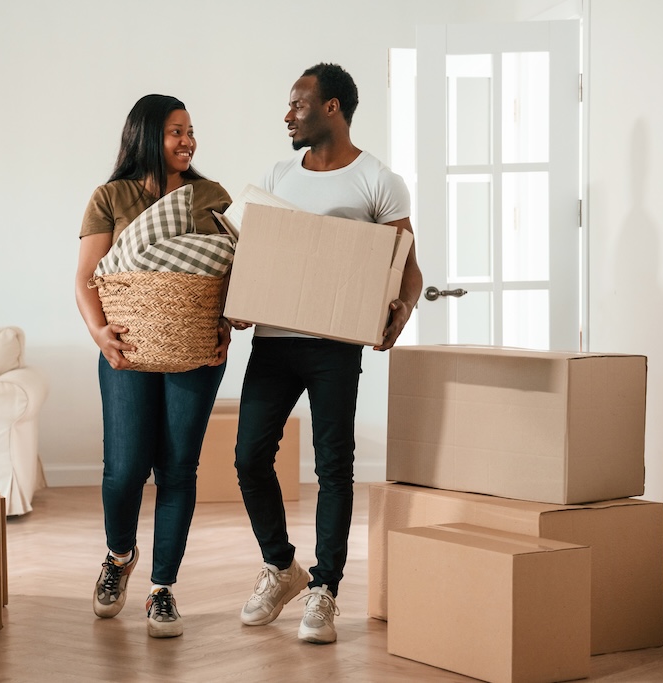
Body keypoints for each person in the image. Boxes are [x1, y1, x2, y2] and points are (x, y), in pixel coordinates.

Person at [232, 63, 423, 644]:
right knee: (248, 458)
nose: (288, 115)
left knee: (333, 466)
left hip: (334, 348)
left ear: (332, 108)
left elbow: (408, 270)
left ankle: (325, 589)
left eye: (298, 105)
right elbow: (255, 259)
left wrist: (399, 313)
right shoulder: (277, 174)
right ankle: (281, 566)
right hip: (273, 341)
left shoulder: (377, 181)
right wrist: (239, 299)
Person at [75, 94, 232, 638]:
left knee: (178, 469)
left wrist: (226, 325)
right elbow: (85, 277)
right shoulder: (110, 197)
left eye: (191, 131)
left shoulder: (209, 195)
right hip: (126, 353)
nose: (188, 141)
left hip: (194, 352)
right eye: (175, 132)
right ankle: (119, 557)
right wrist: (100, 334)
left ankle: (162, 589)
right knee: (123, 471)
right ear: (146, 136)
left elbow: (228, 271)